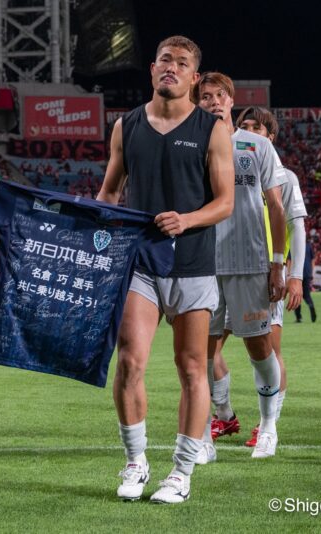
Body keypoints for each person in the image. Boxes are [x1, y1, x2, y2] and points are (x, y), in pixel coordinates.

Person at [97, 36, 234, 504]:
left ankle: (182, 472)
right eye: (164, 60)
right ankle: (136, 461)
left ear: (194, 77)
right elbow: (109, 193)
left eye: (182, 63)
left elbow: (226, 202)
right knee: (129, 360)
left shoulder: (212, 129)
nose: (171, 67)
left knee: (192, 368)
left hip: (193, 263)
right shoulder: (126, 125)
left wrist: (187, 220)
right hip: (140, 262)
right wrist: (96, 234)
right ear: (153, 69)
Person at [195, 79, 287, 461]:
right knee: (201, 353)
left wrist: (278, 264)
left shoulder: (256, 145)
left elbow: (276, 207)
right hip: (201, 264)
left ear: (231, 101)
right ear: (197, 103)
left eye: (220, 96)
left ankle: (268, 427)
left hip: (249, 262)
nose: (214, 102)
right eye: (205, 97)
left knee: (259, 347)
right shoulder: (189, 146)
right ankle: (203, 436)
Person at [210, 106, 305, 447]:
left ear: (270, 137)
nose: (248, 131)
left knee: (268, 349)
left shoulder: (286, 178)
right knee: (206, 349)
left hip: (264, 272)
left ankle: (268, 424)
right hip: (224, 267)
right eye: (244, 125)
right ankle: (224, 415)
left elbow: (297, 226)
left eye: (256, 127)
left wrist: (294, 274)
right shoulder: (222, 165)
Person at [294, 239, 317, 323]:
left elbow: (289, 260)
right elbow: (313, 260)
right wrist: (311, 272)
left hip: (297, 274)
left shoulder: (294, 246)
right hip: (307, 273)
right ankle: (311, 305)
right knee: (307, 295)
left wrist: (288, 274)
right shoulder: (308, 246)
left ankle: (298, 317)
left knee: (296, 295)